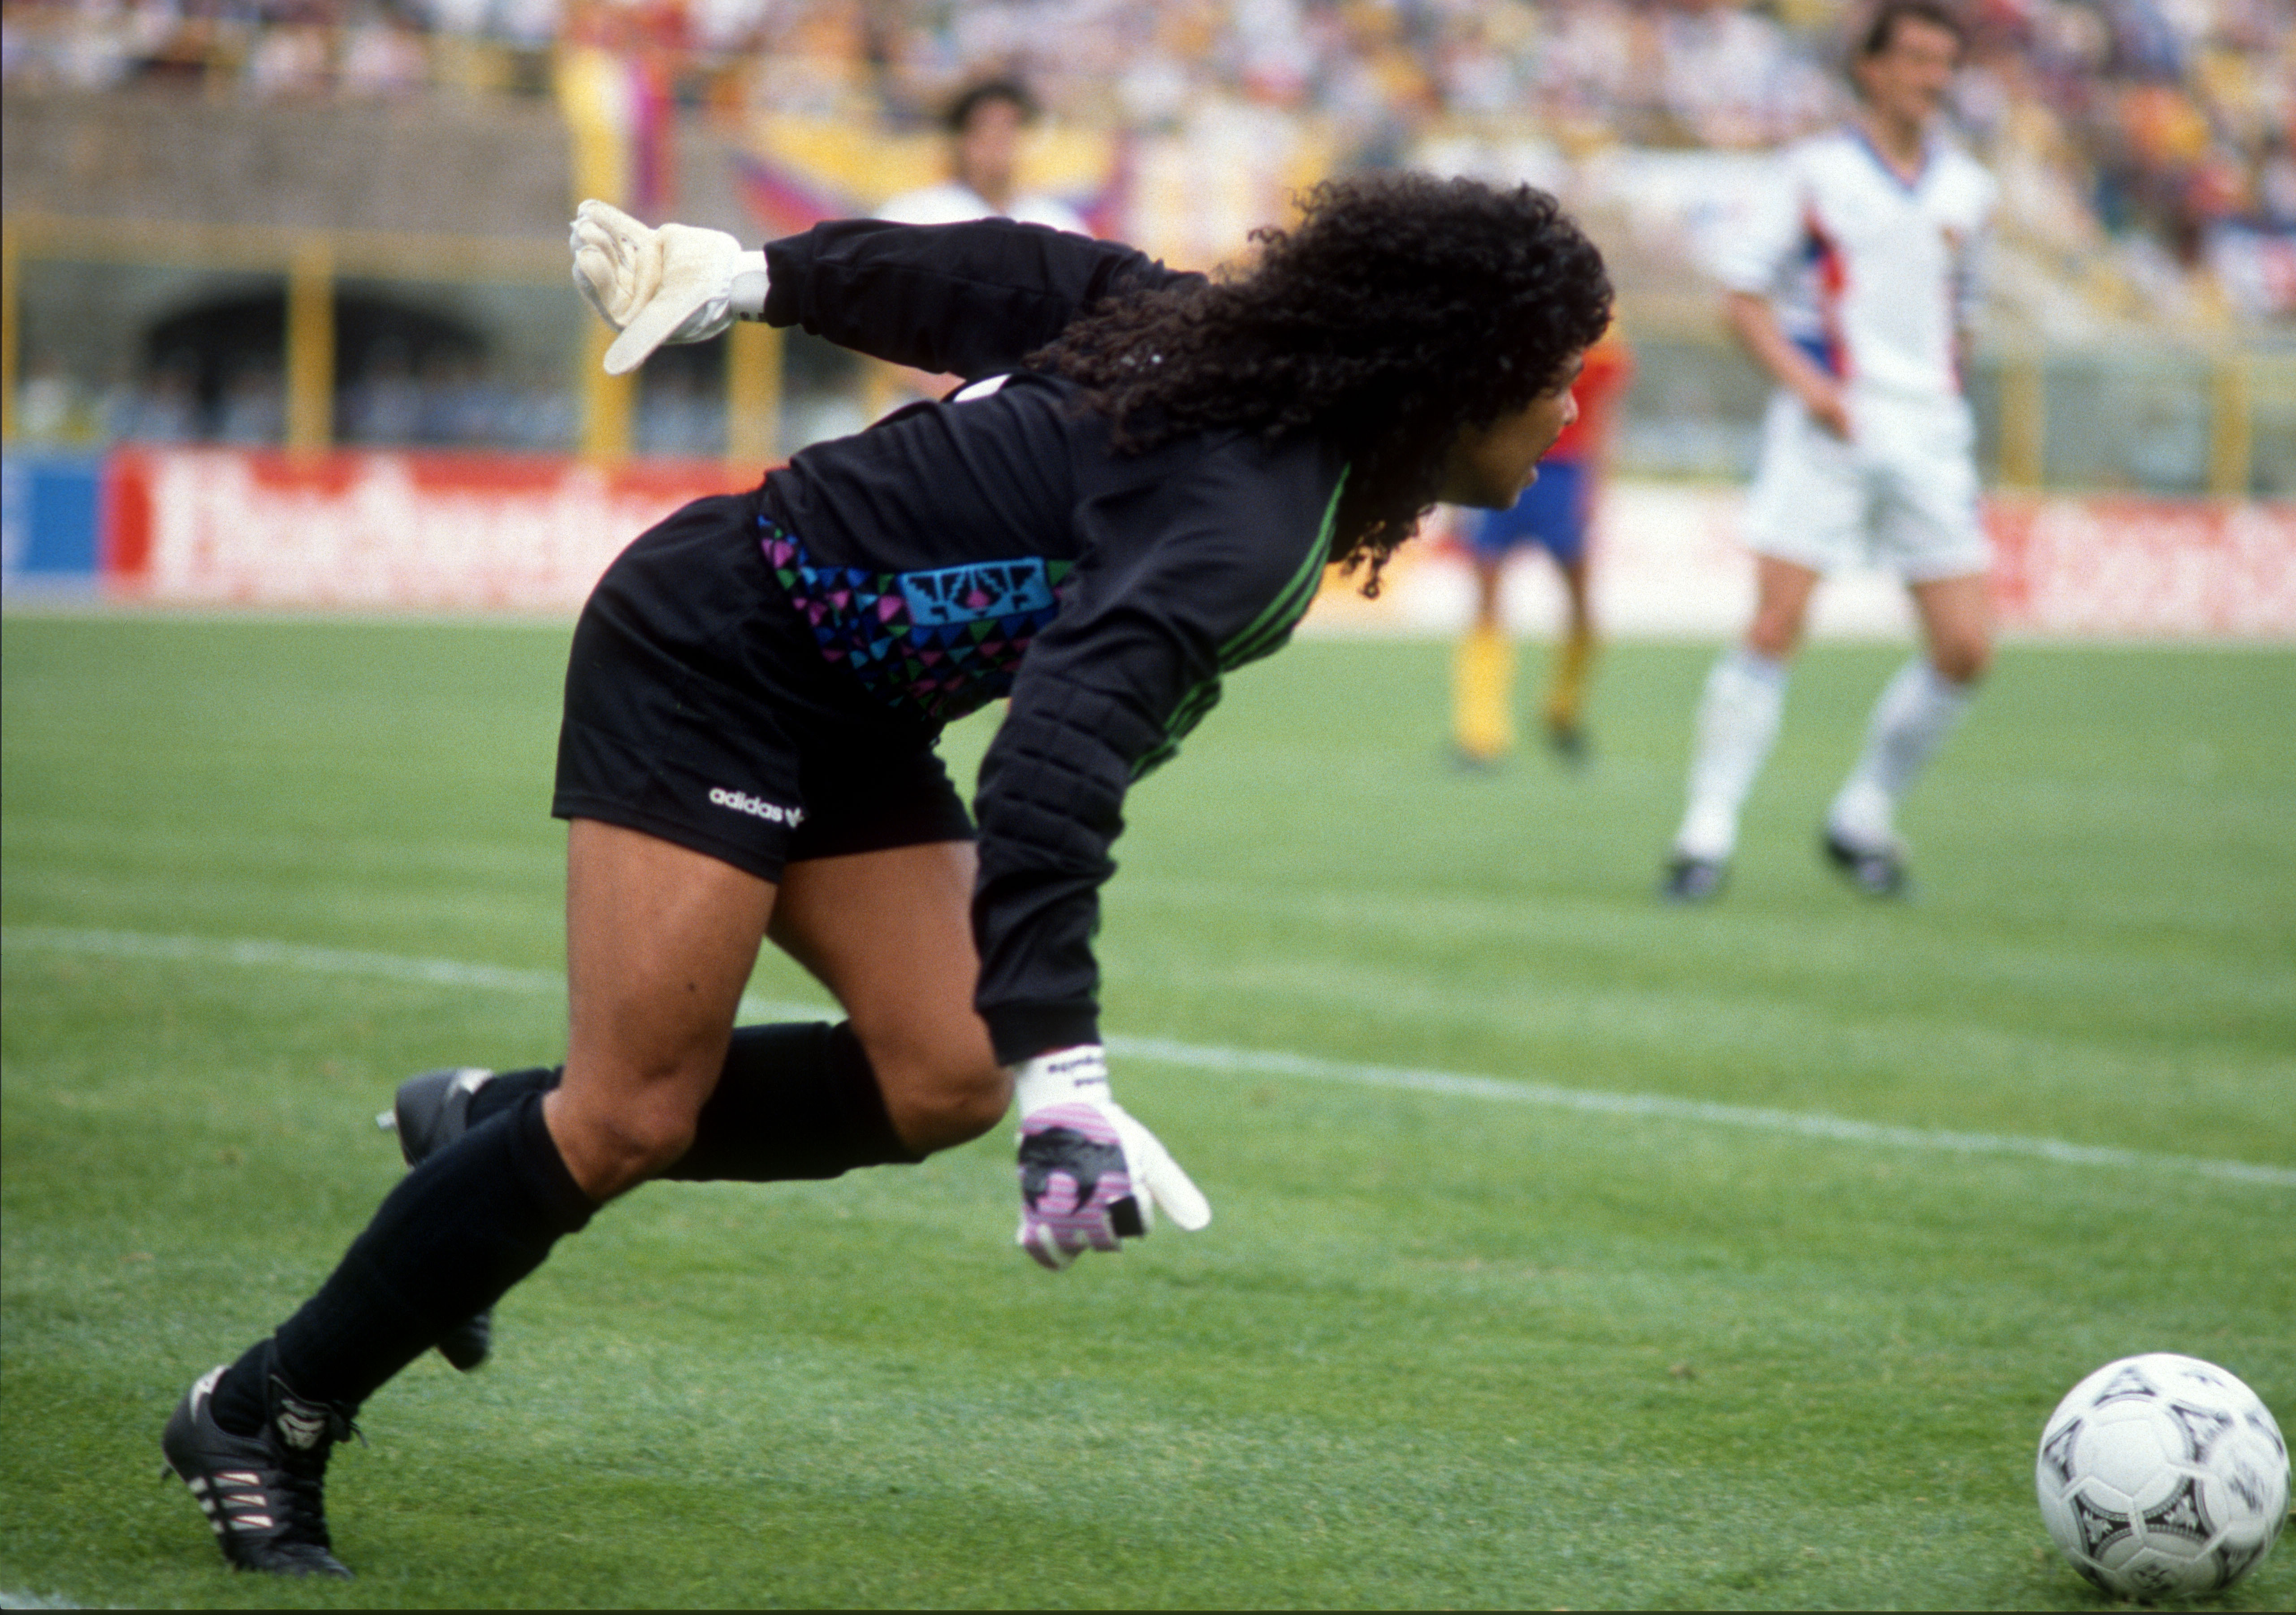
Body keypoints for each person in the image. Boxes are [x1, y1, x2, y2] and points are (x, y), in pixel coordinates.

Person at [157, 173, 1613, 1577]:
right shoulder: (1248, 509)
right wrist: (1074, 1077)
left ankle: (483, 1125)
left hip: (850, 705)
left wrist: (761, 279)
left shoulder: (1254, 404)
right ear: (1454, 370)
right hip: (712, 647)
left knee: (943, 1071)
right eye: (1551, 373)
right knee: (629, 1115)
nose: (1568, 408)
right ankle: (264, 1409)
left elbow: (1015, 281)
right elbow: (1053, 761)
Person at [1659, 0, 1996, 903]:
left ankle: (1862, 815)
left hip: (1927, 430)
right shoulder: (1812, 172)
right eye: (1916, 57)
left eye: (1943, 61)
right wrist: (1811, 391)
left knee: (1966, 645)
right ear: (1871, 68)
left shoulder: (1968, 189)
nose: (1931, 75)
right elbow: (1743, 296)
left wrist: (1938, 403)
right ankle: (1705, 835)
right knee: (1775, 625)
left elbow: (1960, 317)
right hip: (1826, 425)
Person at [1450, 329, 1633, 766]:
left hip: (1565, 473)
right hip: (1500, 459)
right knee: (1486, 595)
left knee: (1580, 600)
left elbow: (1604, 414)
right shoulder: (1501, 316)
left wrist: (1597, 488)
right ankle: (1480, 733)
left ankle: (1563, 708)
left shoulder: (1601, 328)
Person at [872, 78, 1090, 409]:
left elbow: (1085, 321)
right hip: (929, 404)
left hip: (1027, 407)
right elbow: (873, 309)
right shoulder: (915, 213)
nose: (1001, 141)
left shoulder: (1058, 222)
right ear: (962, 138)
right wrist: (925, 377)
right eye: (988, 128)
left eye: (1013, 127)